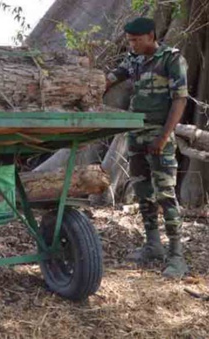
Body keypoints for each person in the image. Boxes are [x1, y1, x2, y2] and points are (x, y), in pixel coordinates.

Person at [106, 17, 189, 278]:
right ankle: (153, 244)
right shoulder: (135, 59)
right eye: (129, 41)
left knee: (166, 195)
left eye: (136, 40)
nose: (132, 45)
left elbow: (180, 100)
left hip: (159, 136)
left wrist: (164, 137)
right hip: (136, 135)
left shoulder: (171, 59)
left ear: (151, 35)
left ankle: (177, 256)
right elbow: (113, 77)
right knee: (142, 190)